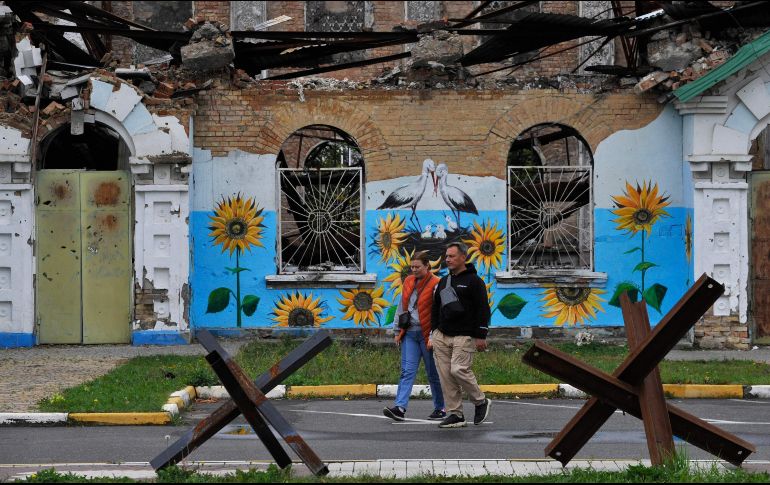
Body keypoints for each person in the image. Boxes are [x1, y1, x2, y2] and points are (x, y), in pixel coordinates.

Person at [429, 241, 491, 428]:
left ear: (463, 257)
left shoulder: (474, 282)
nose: (447, 259)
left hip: (465, 336)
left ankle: (480, 401)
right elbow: (435, 307)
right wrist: (434, 332)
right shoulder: (443, 281)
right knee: (446, 376)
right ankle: (456, 414)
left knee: (458, 370)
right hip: (442, 335)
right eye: (446, 256)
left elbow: (483, 309)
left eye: (451, 256)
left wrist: (481, 335)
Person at [383, 251, 446, 422]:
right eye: (412, 267)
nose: (414, 270)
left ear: (427, 266)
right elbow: (401, 306)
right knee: (407, 371)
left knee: (433, 373)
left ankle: (440, 408)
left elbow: (439, 312)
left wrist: (434, 336)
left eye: (417, 267)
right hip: (409, 333)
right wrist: (397, 331)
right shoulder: (409, 281)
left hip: (428, 335)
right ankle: (400, 408)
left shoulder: (437, 284)